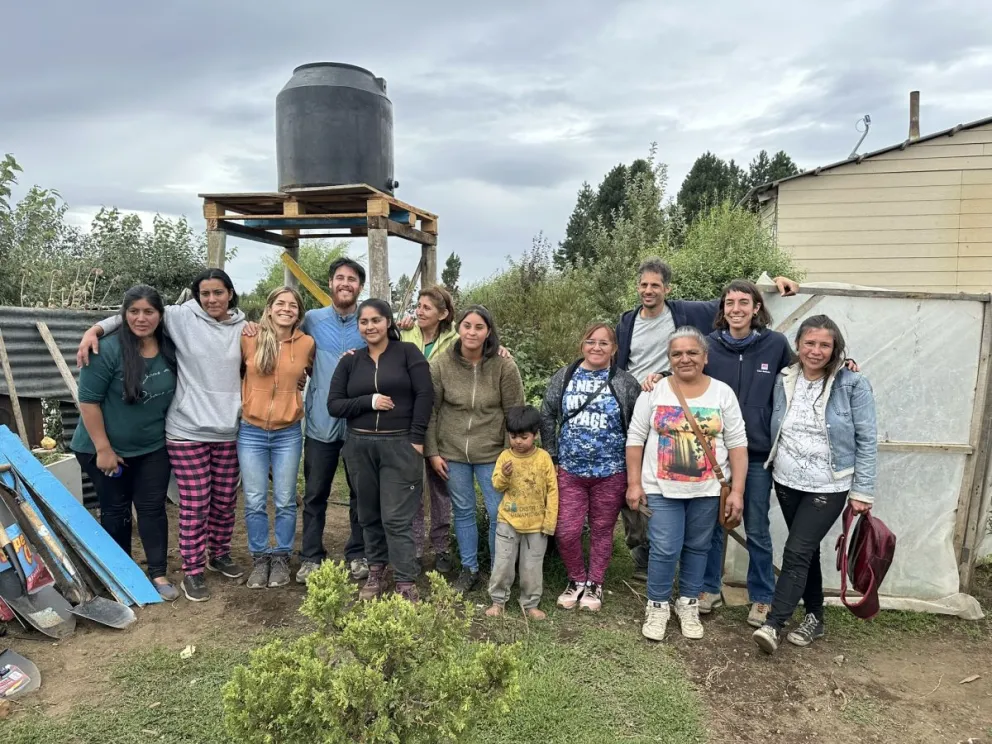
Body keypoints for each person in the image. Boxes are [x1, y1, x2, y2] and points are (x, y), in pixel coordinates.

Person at [616, 259, 798, 579]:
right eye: (643, 284)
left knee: (739, 520)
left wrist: (773, 282)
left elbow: (737, 300)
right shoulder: (627, 321)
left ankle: (747, 590)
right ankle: (650, 553)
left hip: (701, 421)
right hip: (645, 405)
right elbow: (621, 361)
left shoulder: (687, 313)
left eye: (655, 285)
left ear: (666, 289)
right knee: (639, 481)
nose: (648, 290)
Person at [78, 269, 247, 603]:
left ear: (230, 293)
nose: (211, 299)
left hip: (204, 434)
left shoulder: (239, 328)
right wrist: (94, 329)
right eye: (204, 293)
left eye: (218, 292)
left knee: (214, 502)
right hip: (175, 433)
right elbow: (135, 316)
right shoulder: (176, 321)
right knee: (183, 504)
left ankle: (197, 560)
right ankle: (172, 571)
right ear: (196, 295)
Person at [752, 315, 877, 655]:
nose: (816, 351)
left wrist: (862, 490)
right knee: (804, 551)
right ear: (798, 345)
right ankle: (815, 617)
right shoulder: (784, 378)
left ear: (835, 348)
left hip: (829, 484)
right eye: (810, 343)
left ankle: (773, 624)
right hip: (788, 480)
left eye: (825, 344)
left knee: (796, 551)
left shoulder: (852, 383)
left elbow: (866, 438)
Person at [626, 328, 747, 642]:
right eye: (677, 353)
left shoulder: (722, 393)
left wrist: (737, 491)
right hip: (660, 488)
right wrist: (634, 484)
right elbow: (635, 439)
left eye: (692, 352)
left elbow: (737, 445)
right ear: (669, 359)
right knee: (665, 549)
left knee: (698, 548)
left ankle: (688, 603)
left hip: (707, 490)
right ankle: (657, 605)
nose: (685, 358)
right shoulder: (654, 391)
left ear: (705, 357)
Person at [71, 285, 179, 600]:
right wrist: (104, 449)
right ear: (124, 314)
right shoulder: (105, 350)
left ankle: (157, 573)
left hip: (152, 446)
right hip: (101, 449)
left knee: (152, 508)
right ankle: (121, 577)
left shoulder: (169, 346)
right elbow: (88, 402)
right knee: (115, 510)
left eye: (149, 312)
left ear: (160, 315)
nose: (141, 318)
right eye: (133, 312)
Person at [327, 299, 434, 602]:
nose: (370, 326)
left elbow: (425, 394)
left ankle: (405, 579)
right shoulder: (350, 361)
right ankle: (376, 571)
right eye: (364, 322)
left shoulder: (407, 354)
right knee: (369, 513)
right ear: (358, 326)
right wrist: (368, 401)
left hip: (399, 444)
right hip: (359, 446)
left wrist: (416, 438)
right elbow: (334, 405)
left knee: (396, 517)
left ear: (388, 322)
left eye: (376, 320)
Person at [539, 323, 640, 612]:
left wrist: (634, 471)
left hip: (611, 472)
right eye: (590, 341)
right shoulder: (565, 376)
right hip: (570, 471)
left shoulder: (625, 382)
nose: (596, 348)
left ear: (615, 348)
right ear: (582, 344)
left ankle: (595, 583)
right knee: (566, 530)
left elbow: (636, 426)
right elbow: (547, 414)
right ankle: (575, 580)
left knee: (602, 529)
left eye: (604, 343)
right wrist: (553, 456)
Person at [425, 305, 525, 595]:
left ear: (488, 332)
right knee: (464, 511)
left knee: (498, 512)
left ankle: (499, 570)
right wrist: (432, 452)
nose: (472, 332)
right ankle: (469, 569)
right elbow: (430, 411)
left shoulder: (504, 365)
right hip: (452, 452)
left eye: (479, 327)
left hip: (492, 453)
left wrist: (511, 454)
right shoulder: (441, 364)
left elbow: (515, 412)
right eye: (467, 325)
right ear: (459, 328)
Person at [295, 257, 368, 585]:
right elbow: (286, 342)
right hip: (320, 422)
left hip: (359, 424)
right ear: (330, 283)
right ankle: (310, 555)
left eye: (352, 279)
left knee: (361, 492)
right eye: (340, 278)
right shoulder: (311, 319)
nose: (346, 284)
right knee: (314, 492)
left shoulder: (369, 320)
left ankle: (359, 553)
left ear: (360, 287)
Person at [239, 287, 315, 590]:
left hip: (288, 432)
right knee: (255, 499)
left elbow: (309, 375)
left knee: (285, 500)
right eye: (280, 303)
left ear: (299, 312)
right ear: (269, 308)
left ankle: (281, 556)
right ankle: (260, 557)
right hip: (251, 430)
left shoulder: (307, 343)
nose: (287, 308)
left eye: (293, 305)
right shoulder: (249, 338)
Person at [400, 285, 458, 572]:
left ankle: (442, 546)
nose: (419, 311)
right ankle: (413, 548)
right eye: (418, 306)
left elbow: (482, 347)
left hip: (442, 421)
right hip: (408, 419)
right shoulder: (405, 333)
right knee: (411, 486)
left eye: (426, 307)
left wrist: (499, 348)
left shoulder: (457, 339)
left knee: (440, 486)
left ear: (443, 314)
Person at [486, 405, 558, 620]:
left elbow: (553, 490)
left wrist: (549, 521)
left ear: (535, 435)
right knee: (503, 564)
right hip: (507, 521)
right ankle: (498, 601)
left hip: (537, 525)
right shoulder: (504, 457)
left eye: (524, 437)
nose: (518, 441)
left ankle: (530, 603)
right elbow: (497, 485)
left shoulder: (544, 458)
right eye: (513, 436)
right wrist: (505, 476)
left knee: (532, 567)